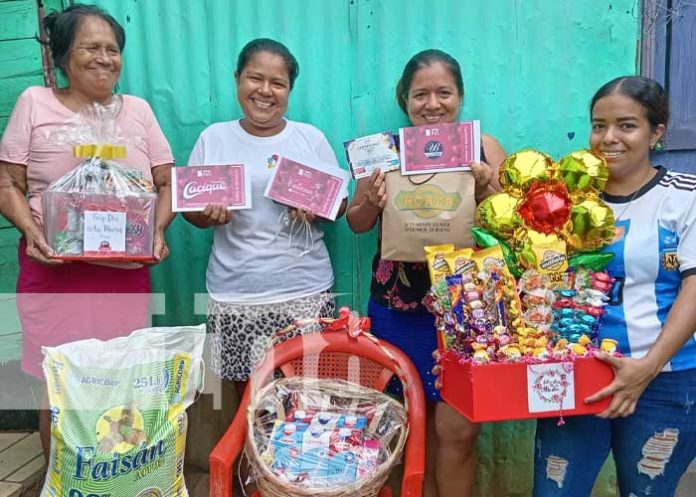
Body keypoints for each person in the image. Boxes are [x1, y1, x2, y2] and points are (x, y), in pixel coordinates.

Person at [0, 4, 174, 458]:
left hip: (123, 274)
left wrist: (156, 231)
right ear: (62, 57)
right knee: (58, 382)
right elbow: (7, 184)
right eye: (89, 48)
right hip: (54, 273)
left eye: (112, 49)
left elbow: (166, 183)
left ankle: (113, 475)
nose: (104, 58)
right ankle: (61, 477)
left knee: (118, 381)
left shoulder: (136, 111)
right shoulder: (34, 104)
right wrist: (30, 231)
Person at [346, 49, 506, 497]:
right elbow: (357, 223)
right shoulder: (382, 150)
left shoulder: (484, 148)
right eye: (421, 94)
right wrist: (371, 202)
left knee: (458, 429)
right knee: (404, 422)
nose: (432, 104)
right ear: (404, 99)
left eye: (444, 93)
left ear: (460, 97)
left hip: (467, 309)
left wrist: (487, 187)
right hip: (398, 306)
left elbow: (510, 226)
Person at [533, 76, 696, 496]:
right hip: (572, 376)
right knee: (555, 490)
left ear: (656, 132)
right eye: (598, 124)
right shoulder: (562, 201)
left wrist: (646, 368)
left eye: (626, 125)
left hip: (664, 379)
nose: (609, 138)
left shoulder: (685, 197)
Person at [184, 38, 345, 395]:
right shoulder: (215, 138)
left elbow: (338, 206)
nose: (265, 91)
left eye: (278, 83)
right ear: (237, 78)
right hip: (235, 292)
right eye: (255, 78)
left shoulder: (309, 138)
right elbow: (191, 211)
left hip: (305, 291)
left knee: (308, 393)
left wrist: (315, 209)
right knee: (245, 396)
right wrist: (207, 215)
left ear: (289, 90)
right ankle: (246, 455)